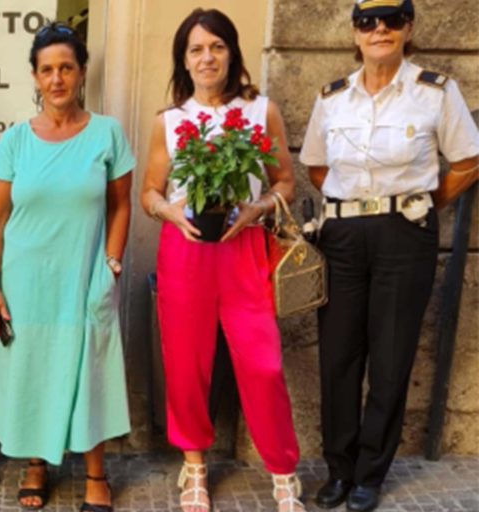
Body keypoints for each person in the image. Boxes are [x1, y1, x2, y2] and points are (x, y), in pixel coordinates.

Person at [300, 1, 479, 511]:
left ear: (408, 27)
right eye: (367, 21)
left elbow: (468, 161)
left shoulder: (434, 92)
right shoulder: (332, 98)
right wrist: (358, 208)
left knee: (392, 355)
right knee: (338, 357)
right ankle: (339, 468)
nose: (379, 29)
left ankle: (369, 474)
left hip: (405, 235)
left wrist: (418, 205)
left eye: (392, 19)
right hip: (342, 235)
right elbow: (316, 166)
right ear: (355, 34)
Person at [141, 9, 305, 512]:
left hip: (245, 247)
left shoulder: (261, 112)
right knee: (186, 364)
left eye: (216, 46)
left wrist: (258, 207)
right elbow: (149, 192)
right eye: (196, 49)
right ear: (184, 60)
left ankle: (283, 471)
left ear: (232, 53)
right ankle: (194, 466)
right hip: (185, 250)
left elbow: (286, 182)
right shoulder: (170, 121)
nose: (207, 57)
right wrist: (168, 210)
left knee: (263, 364)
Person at [0, 22, 134, 512]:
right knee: (33, 369)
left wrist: (112, 263)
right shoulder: (16, 140)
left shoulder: (107, 133)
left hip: (82, 278)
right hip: (24, 283)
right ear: (35, 77)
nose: (57, 79)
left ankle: (96, 475)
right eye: (47, 70)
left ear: (81, 72)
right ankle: (36, 463)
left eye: (66, 68)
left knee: (89, 371)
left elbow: (121, 206)